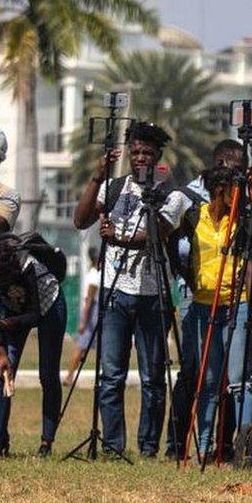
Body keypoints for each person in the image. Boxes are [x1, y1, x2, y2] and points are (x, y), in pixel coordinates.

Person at [73, 122, 188, 458]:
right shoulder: (113, 188)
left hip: (153, 294)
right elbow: (80, 221)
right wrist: (97, 176)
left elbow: (157, 235)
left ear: (158, 157)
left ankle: (149, 447)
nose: (140, 158)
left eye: (147, 153)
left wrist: (118, 237)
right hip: (114, 291)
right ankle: (112, 446)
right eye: (135, 152)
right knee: (111, 375)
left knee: (153, 377)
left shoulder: (173, 195)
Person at [176, 166, 252, 456]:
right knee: (207, 381)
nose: (240, 196)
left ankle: (245, 446)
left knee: (239, 382)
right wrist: (188, 277)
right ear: (220, 190)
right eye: (235, 189)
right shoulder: (195, 217)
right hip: (203, 305)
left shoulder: (242, 221)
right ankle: (206, 445)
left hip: (237, 305)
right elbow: (176, 246)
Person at [0, 234, 67, 459]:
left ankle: (46, 443)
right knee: (3, 372)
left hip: (48, 305)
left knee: (48, 374)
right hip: (10, 313)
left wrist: (6, 323)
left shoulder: (28, 267)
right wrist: (0, 352)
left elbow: (34, 314)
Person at [64, 247, 100, 388]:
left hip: (94, 311)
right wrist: (84, 321)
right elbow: (89, 300)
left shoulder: (96, 273)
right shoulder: (94, 276)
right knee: (81, 347)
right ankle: (69, 376)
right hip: (92, 313)